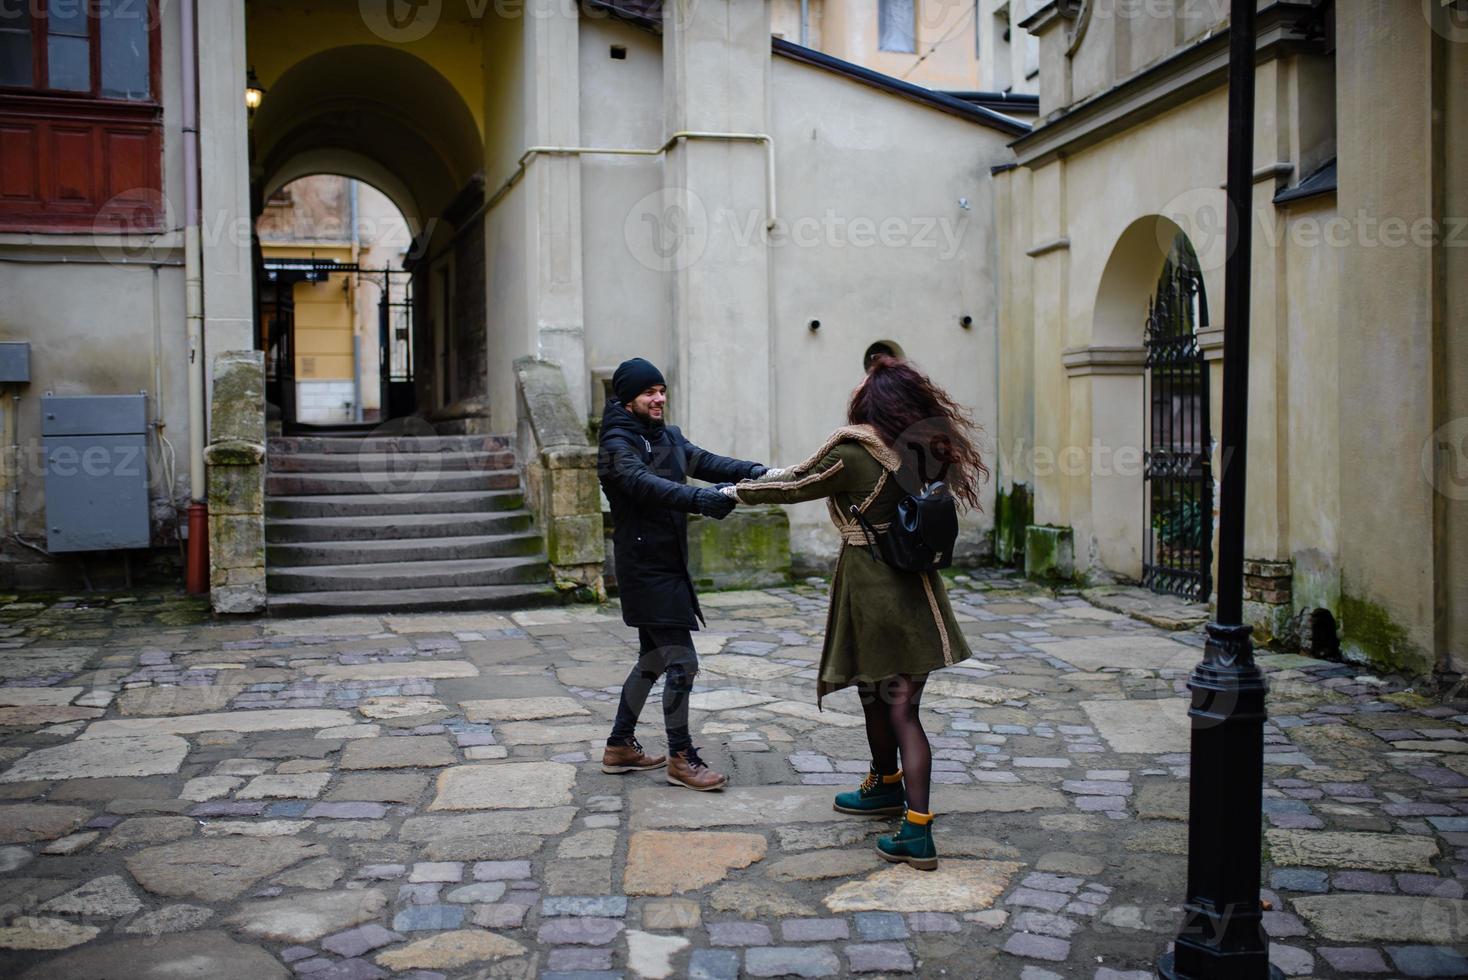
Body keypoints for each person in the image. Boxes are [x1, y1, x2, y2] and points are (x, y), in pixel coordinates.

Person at [729, 354, 986, 868]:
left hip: (873, 589)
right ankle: (885, 784)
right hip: (919, 591)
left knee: (894, 707)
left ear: (872, 402)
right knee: (886, 698)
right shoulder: (921, 449)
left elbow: (791, 487)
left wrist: (724, 493)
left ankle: (917, 831)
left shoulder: (854, 451)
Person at [597, 357, 767, 791]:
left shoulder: (666, 435)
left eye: (662, 390)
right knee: (681, 663)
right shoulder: (617, 442)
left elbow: (701, 459)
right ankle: (681, 757)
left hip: (669, 564)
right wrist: (698, 500)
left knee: (652, 660)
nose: (659, 399)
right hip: (643, 568)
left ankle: (619, 747)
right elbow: (640, 483)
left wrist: (751, 471)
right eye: (649, 392)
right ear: (627, 398)